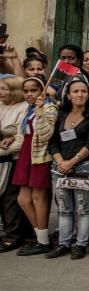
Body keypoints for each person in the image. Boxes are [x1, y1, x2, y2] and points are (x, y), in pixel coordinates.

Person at [45, 77, 89, 259]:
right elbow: (52, 141)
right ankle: (63, 243)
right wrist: (61, 161)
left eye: (83, 91)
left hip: (83, 167)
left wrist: (72, 162)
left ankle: (80, 244)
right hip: (60, 168)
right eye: (76, 91)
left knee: (83, 208)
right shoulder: (61, 115)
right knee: (64, 208)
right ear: (68, 95)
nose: (80, 94)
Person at [13, 77, 57, 255]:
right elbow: (23, 132)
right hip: (26, 153)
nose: (29, 94)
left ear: (42, 91)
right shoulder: (28, 109)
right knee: (23, 199)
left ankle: (43, 241)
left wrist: (40, 111)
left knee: (39, 198)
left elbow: (46, 134)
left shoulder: (49, 107)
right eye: (26, 91)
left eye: (34, 90)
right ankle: (40, 237)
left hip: (40, 155)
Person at [0, 76, 29, 251]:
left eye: (4, 88)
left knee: (10, 199)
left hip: (13, 160)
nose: (1, 92)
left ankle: (13, 235)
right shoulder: (1, 105)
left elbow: (21, 140)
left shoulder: (23, 108)